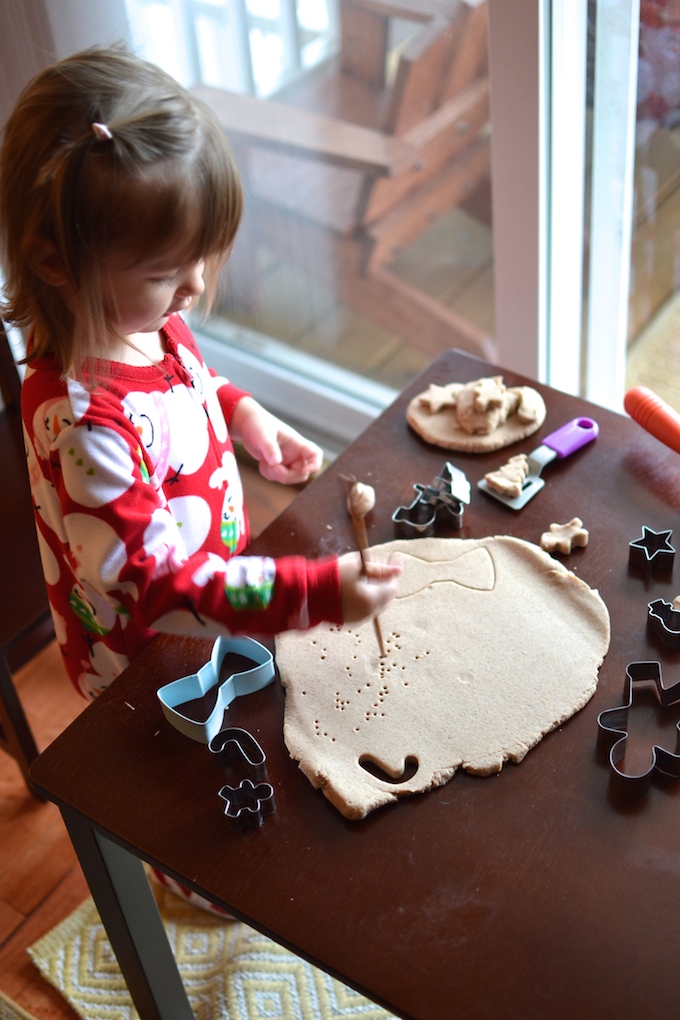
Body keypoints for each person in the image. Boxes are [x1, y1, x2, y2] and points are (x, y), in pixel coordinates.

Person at [0, 46, 400, 911]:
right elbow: (168, 589)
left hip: (206, 603)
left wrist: (245, 415)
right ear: (56, 264)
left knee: (235, 720)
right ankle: (188, 888)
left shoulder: (128, 317)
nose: (195, 287)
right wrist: (320, 593)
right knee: (184, 776)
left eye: (204, 257)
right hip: (143, 652)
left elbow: (184, 377)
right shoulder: (84, 429)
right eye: (165, 272)